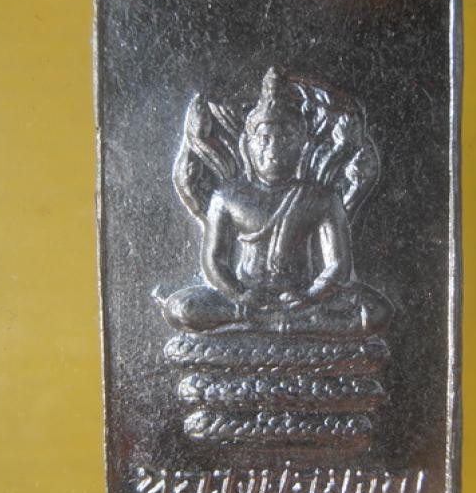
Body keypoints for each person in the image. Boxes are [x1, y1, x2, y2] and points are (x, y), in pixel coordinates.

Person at [162, 68, 392, 337]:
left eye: (286, 139)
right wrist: (239, 294)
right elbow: (214, 261)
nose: (273, 150)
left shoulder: (321, 198)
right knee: (181, 308)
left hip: (302, 300)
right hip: (247, 298)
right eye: (264, 139)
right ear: (248, 145)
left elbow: (337, 265)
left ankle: (265, 324)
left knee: (377, 311)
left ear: (302, 145)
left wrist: (311, 295)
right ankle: (275, 324)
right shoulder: (227, 197)